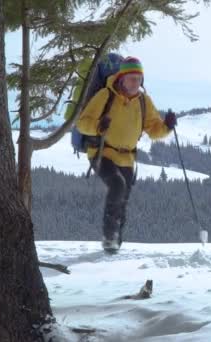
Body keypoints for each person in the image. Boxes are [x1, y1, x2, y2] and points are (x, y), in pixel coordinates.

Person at [76, 56, 177, 252]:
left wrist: (167, 126)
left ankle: (115, 244)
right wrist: (98, 126)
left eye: (138, 79)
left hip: (128, 158)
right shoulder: (106, 95)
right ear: (121, 78)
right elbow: (82, 123)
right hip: (101, 152)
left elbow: (154, 130)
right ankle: (109, 237)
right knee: (117, 185)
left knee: (123, 199)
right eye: (131, 78)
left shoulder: (143, 101)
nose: (135, 83)